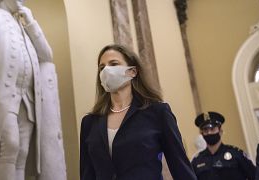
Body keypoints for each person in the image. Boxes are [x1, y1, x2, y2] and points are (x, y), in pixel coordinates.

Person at [0, 0, 66, 179]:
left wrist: (31, 22)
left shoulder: (24, 25)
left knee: (22, 152)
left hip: (28, 100)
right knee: (10, 145)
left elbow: (46, 56)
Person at [80, 44, 197, 180]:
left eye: (113, 64)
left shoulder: (157, 112)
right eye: (102, 67)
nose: (106, 70)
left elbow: (180, 167)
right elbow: (87, 174)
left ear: (132, 71)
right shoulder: (89, 123)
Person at [191, 111, 256, 180]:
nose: (209, 132)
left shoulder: (236, 154)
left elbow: (255, 176)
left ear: (220, 131)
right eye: (205, 130)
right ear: (202, 134)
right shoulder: (197, 161)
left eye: (212, 129)